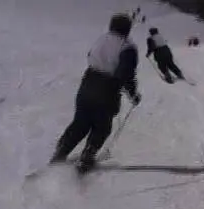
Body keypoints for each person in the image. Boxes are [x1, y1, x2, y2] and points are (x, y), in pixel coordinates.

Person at [50, 14, 141, 172]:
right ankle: (87, 156)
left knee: (80, 122)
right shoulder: (127, 47)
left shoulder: (102, 39)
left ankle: (61, 152)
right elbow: (125, 73)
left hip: (88, 82)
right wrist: (133, 94)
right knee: (102, 126)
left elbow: (89, 55)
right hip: (107, 89)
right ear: (127, 29)